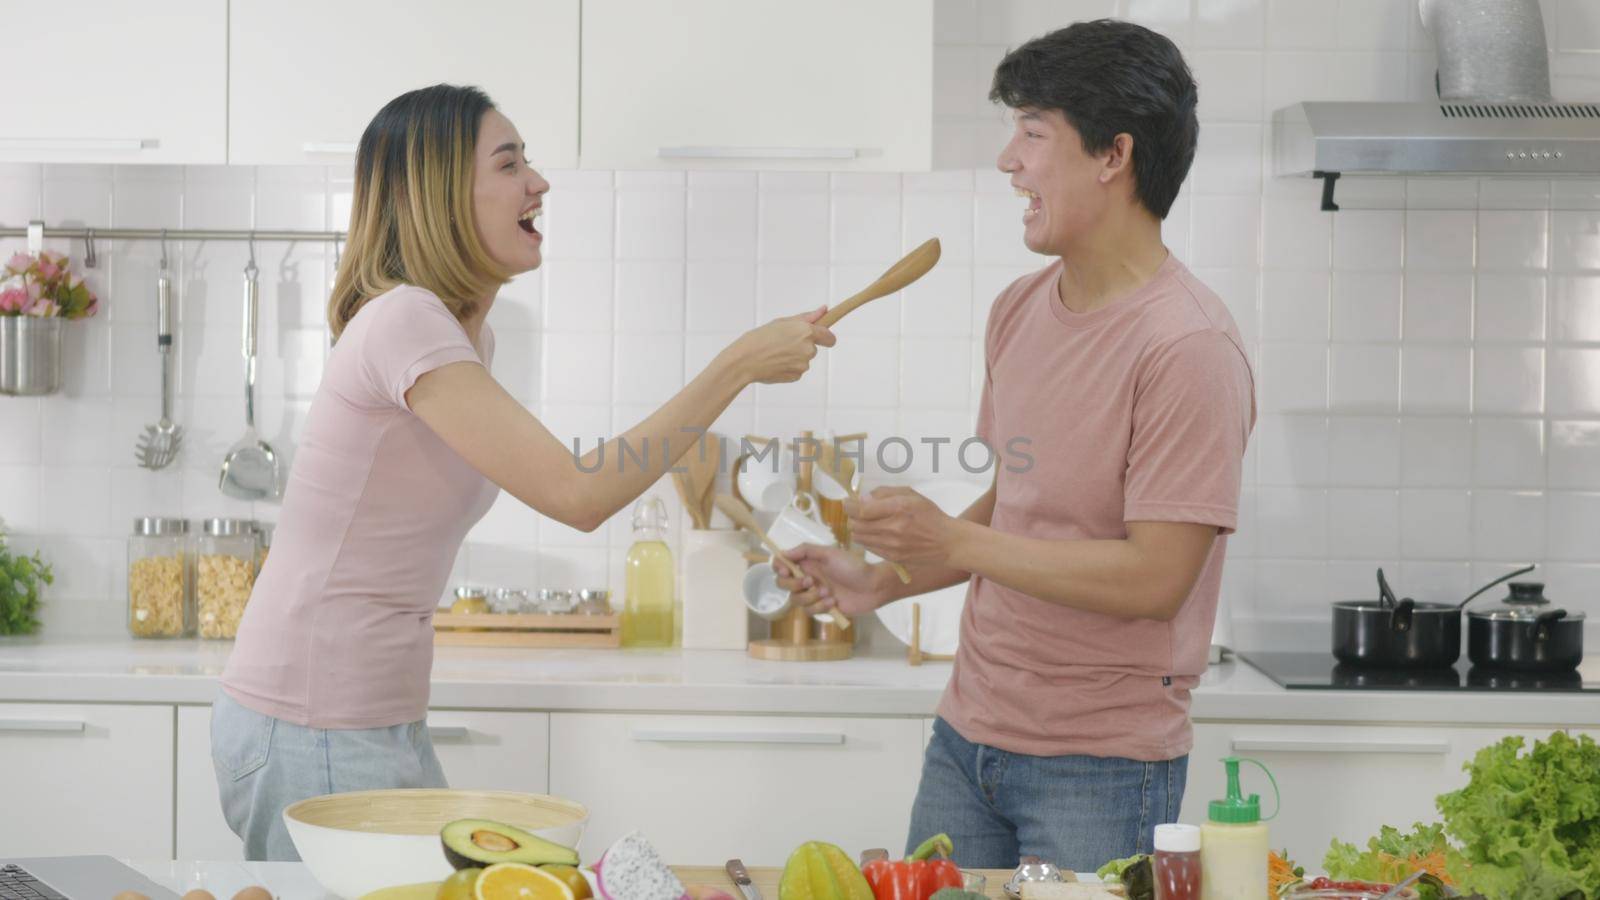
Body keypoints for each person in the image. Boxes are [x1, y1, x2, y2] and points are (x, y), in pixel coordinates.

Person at [212, 83, 835, 861]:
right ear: (441, 197)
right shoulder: (406, 323)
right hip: (313, 722)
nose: (537, 182)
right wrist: (736, 365)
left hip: (365, 715)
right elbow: (577, 492)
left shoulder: (464, 337)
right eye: (509, 164)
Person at [778, 20, 1255, 872]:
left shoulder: (1188, 348)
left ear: (1114, 155)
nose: (1009, 161)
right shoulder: (1019, 311)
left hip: (1102, 768)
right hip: (967, 740)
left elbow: (1157, 579)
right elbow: (1018, 508)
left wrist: (951, 539)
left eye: (1033, 133)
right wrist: (883, 582)